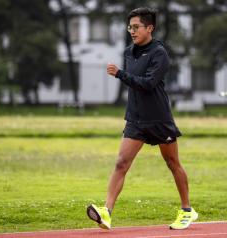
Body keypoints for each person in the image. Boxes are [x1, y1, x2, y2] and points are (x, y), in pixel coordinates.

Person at [86, 7, 198, 230]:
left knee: (172, 163)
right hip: (136, 119)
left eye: (136, 27)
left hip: (158, 118)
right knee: (121, 163)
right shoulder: (129, 52)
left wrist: (120, 74)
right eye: (130, 27)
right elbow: (134, 83)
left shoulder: (160, 53)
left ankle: (187, 211)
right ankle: (106, 212)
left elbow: (147, 84)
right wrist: (124, 76)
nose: (132, 31)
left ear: (150, 28)